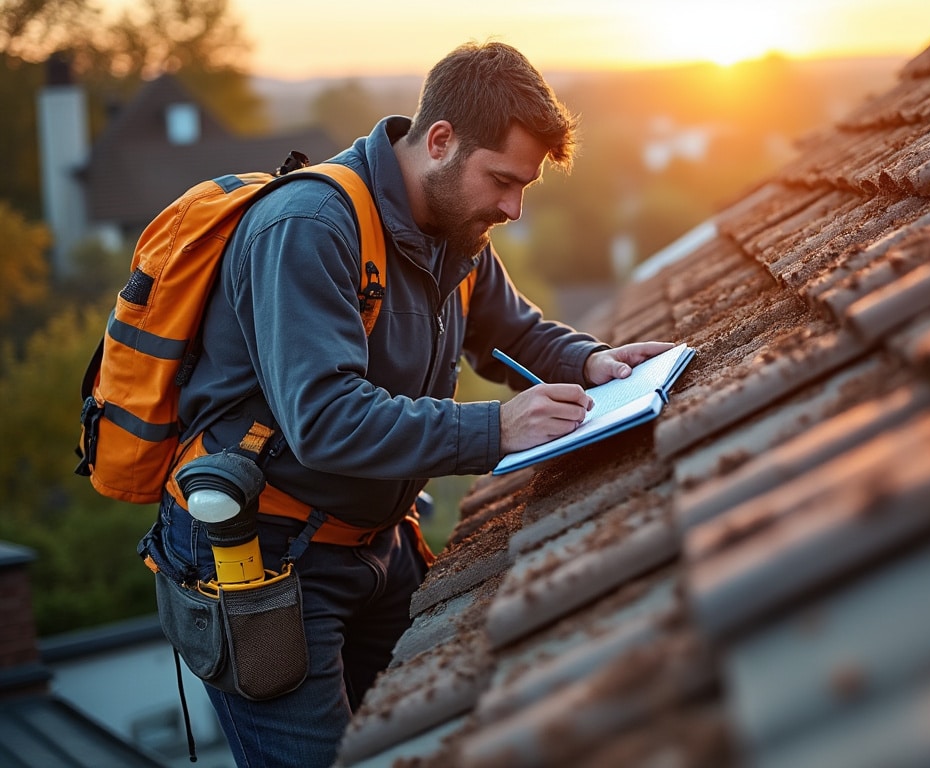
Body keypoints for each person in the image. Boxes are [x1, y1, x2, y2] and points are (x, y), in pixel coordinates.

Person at [138, 41, 672, 768]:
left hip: (376, 542)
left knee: (433, 736)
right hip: (262, 559)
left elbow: (508, 328)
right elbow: (324, 418)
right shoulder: (311, 228)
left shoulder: (456, 229)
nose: (514, 208)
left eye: (525, 189)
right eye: (504, 181)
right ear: (442, 141)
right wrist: (496, 428)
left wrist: (589, 361)